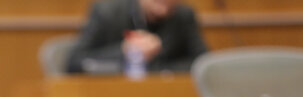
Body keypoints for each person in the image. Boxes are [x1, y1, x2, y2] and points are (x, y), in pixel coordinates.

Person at [67, 0, 208, 74]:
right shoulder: (107, 13)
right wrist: (125, 51)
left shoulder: (183, 16)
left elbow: (204, 64)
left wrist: (161, 70)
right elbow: (74, 63)